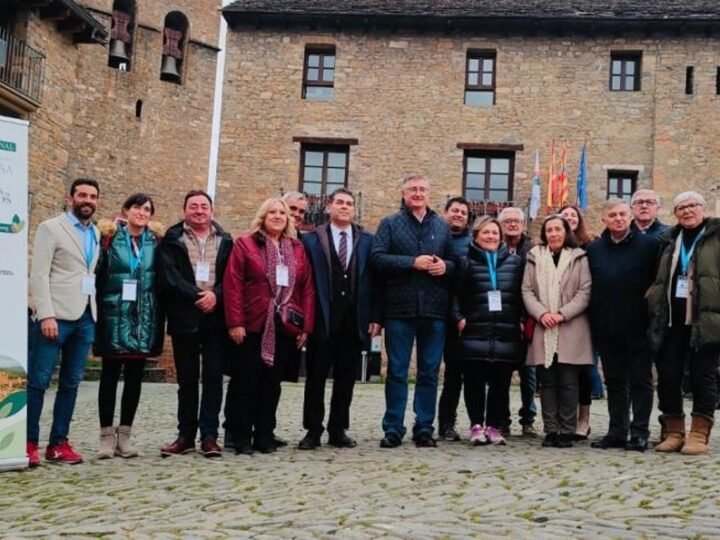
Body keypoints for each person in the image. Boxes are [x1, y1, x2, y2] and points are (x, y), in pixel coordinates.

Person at [224, 197, 314, 455]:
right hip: (252, 324)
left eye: (282, 213)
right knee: (246, 382)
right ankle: (240, 437)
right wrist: (236, 322)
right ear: (262, 217)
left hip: (284, 326)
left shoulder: (296, 248)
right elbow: (233, 284)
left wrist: (306, 325)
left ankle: (264, 435)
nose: (277, 216)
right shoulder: (245, 244)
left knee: (271, 384)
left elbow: (306, 288)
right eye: (272, 212)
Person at [371, 173, 455, 448]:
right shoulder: (390, 224)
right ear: (404, 194)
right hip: (400, 310)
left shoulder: (442, 227)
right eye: (413, 190)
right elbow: (377, 258)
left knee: (429, 372)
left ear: (429, 194)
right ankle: (393, 427)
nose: (418, 194)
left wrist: (445, 267)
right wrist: (411, 262)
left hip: (434, 310)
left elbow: (455, 262)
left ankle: (424, 427)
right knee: (396, 371)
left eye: (423, 189)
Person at [299, 188, 381, 450]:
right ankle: (313, 430)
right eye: (339, 203)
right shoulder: (311, 240)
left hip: (354, 318)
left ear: (354, 209)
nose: (344, 207)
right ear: (329, 207)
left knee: (346, 378)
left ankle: (338, 430)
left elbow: (377, 282)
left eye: (349, 203)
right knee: (316, 377)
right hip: (323, 317)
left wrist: (376, 316)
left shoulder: (368, 240)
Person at [27, 178, 101, 466]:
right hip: (55, 316)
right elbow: (39, 273)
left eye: (93, 196)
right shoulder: (51, 228)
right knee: (39, 381)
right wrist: (45, 313)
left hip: (85, 316)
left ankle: (58, 443)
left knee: (71, 383)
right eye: (82, 195)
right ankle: (29, 441)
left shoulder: (94, 231)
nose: (88, 200)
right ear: (71, 198)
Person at [157, 190, 233, 458]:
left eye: (204, 206)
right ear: (184, 211)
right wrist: (197, 296)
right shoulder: (172, 239)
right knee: (187, 381)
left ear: (211, 211)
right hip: (184, 317)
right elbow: (169, 276)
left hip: (216, 318)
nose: (199, 211)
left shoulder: (225, 240)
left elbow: (232, 277)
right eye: (193, 206)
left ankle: (209, 436)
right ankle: (185, 435)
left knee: (213, 379)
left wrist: (216, 295)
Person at [647, 191, 720, 455]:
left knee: (703, 376)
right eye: (681, 207)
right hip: (671, 319)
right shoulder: (668, 239)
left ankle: (699, 433)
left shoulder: (716, 236)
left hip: (705, 318)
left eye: (692, 206)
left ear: (703, 208)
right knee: (668, 374)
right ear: (675, 213)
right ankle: (674, 430)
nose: (687, 211)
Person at [94, 193, 164, 459]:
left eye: (147, 209)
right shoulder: (110, 238)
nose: (142, 212)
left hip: (142, 319)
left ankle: (125, 436)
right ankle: (105, 438)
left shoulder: (155, 242)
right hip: (114, 316)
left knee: (134, 379)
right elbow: (97, 270)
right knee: (109, 378)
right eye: (137, 207)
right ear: (126, 210)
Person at [586, 199, 659, 452]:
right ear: (604, 219)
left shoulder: (650, 246)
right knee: (615, 381)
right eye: (612, 215)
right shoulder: (594, 249)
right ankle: (617, 431)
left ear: (630, 217)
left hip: (639, 325)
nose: (618, 218)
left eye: (622, 214)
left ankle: (639, 432)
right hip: (607, 325)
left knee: (641, 380)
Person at [451, 217, 524, 446]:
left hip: (506, 331)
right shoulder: (464, 262)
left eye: (494, 233)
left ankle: (493, 426)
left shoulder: (515, 262)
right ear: (476, 237)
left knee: (500, 384)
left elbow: (523, 295)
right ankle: (475, 425)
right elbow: (454, 294)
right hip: (474, 329)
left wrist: (521, 320)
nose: (491, 237)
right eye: (486, 233)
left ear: (501, 237)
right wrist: (458, 317)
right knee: (474, 382)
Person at [522, 214, 593, 448]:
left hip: (571, 325)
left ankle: (567, 430)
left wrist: (562, 314)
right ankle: (551, 429)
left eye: (558, 229)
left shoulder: (579, 257)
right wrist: (542, 314)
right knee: (548, 382)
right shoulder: (534, 257)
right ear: (544, 234)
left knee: (569, 382)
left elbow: (584, 291)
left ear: (566, 232)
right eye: (549, 230)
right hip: (544, 325)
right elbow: (527, 290)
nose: (553, 233)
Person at [559, 204, 603, 439]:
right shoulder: (551, 247)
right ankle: (563, 418)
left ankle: (583, 419)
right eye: (564, 215)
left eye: (573, 215)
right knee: (562, 370)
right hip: (557, 316)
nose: (569, 218)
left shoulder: (591, 247)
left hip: (584, 315)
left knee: (584, 368)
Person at [498, 206, 538, 437]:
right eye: (508, 221)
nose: (512, 224)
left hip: (527, 319)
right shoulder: (494, 248)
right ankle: (502, 420)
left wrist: (525, 318)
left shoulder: (533, 250)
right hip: (502, 319)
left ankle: (528, 419)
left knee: (528, 375)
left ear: (523, 225)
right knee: (501, 375)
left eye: (516, 221)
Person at [437, 196, 471, 442]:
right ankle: (426, 422)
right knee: (428, 371)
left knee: (455, 373)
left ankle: (448, 423)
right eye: (455, 210)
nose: (458, 214)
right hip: (434, 311)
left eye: (463, 212)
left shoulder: (472, 244)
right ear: (445, 212)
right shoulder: (434, 237)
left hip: (458, 316)